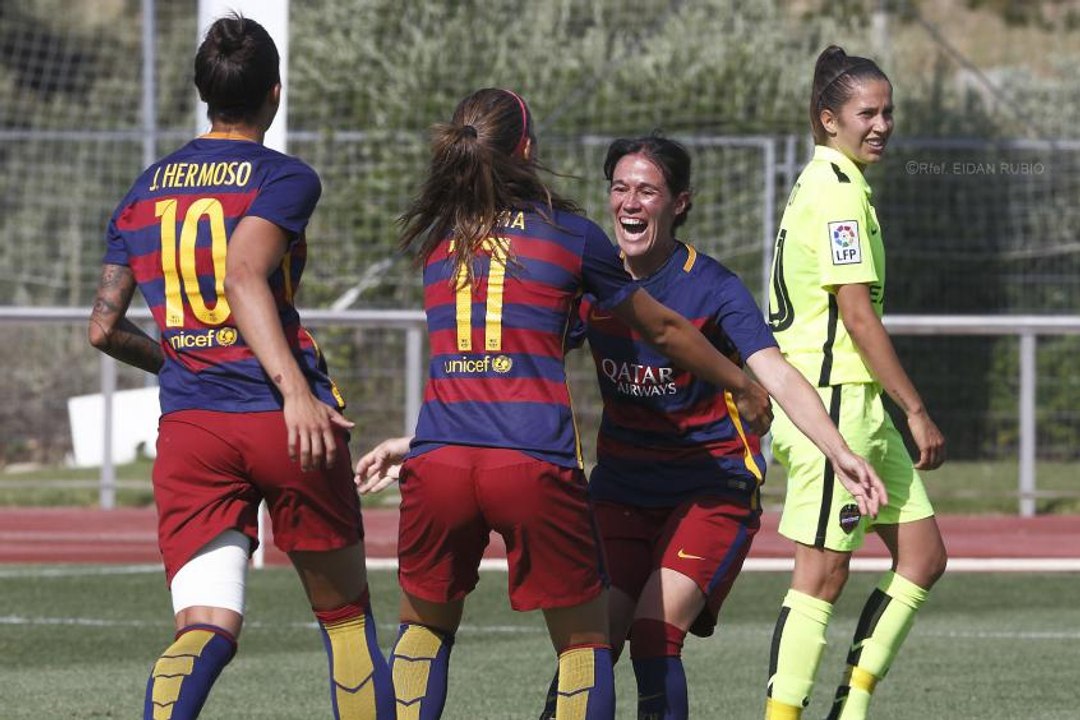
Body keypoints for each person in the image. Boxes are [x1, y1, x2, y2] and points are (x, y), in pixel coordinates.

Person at [356, 132, 887, 720]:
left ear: (678, 203)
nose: (630, 203)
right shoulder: (591, 277)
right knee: (590, 645)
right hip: (620, 490)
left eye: (648, 191)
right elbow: (512, 373)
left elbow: (776, 376)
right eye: (620, 188)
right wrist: (419, 441)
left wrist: (838, 450)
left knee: (655, 634)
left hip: (708, 489)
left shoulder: (712, 286)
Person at [87, 15, 393, 720]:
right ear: (274, 94)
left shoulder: (144, 190)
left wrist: (180, 361)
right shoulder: (284, 178)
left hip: (192, 428)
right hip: (285, 423)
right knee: (346, 623)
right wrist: (292, 391)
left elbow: (103, 328)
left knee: (204, 628)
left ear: (204, 93)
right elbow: (243, 276)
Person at [763, 46, 948, 720]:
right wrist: (917, 409)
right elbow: (857, 316)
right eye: (866, 112)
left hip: (857, 405)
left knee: (922, 556)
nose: (882, 124)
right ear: (828, 119)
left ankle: (852, 703)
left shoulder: (840, 185)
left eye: (888, 111)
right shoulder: (836, 194)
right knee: (820, 578)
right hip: (829, 404)